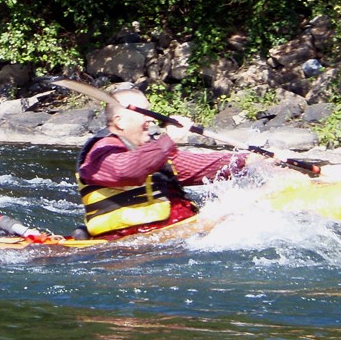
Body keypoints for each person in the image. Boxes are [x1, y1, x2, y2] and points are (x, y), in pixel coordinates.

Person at [75, 88, 257, 240]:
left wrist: (251, 160)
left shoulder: (153, 151)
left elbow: (202, 167)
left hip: (168, 236)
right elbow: (126, 171)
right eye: (144, 113)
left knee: (250, 203)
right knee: (238, 214)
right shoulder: (100, 152)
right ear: (119, 122)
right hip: (130, 244)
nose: (151, 119)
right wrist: (169, 139)